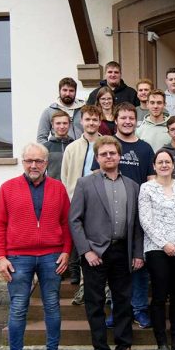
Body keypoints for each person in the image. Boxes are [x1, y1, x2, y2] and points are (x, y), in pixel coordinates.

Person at [0, 143, 71, 350]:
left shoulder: (58, 188)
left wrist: (66, 251)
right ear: (23, 162)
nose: (33, 165)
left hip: (51, 256)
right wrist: (1, 256)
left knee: (52, 307)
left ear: (46, 163)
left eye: (38, 161)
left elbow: (67, 223)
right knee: (18, 309)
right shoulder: (8, 188)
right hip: (18, 257)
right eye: (29, 161)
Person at [69, 136, 144, 350]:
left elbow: (137, 224)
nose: (109, 157)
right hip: (95, 253)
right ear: (97, 157)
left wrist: (137, 253)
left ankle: (124, 347)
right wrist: (86, 251)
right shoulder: (85, 183)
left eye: (112, 153)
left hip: (123, 251)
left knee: (123, 301)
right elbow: (74, 221)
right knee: (95, 302)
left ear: (119, 156)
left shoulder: (132, 186)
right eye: (104, 154)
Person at [90, 102, 155, 328]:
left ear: (136, 121)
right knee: (113, 270)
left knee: (138, 266)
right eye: (123, 118)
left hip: (137, 216)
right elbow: (95, 179)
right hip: (109, 217)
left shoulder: (145, 149)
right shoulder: (106, 146)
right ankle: (118, 310)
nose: (127, 121)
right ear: (115, 120)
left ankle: (139, 309)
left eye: (131, 118)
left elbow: (151, 182)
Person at [139, 148, 175, 350]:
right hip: (157, 249)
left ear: (173, 165)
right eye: (160, 162)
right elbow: (146, 220)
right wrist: (165, 244)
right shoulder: (147, 188)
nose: (164, 165)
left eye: (167, 162)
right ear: (154, 166)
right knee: (160, 296)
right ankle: (161, 342)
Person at [61, 105, 103, 289]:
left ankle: (103, 285)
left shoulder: (108, 143)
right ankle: (85, 286)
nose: (91, 123)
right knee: (82, 244)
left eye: (95, 119)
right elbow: (65, 177)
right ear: (81, 121)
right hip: (78, 201)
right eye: (88, 119)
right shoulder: (71, 148)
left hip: (102, 201)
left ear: (100, 122)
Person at [37, 77, 84, 144]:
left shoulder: (83, 110)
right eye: (64, 90)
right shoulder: (49, 112)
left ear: (75, 92)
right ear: (59, 91)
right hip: (58, 152)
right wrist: (50, 151)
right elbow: (41, 138)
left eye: (71, 91)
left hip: (80, 151)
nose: (68, 94)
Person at [45, 110, 73, 180]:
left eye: (65, 123)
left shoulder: (75, 146)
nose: (62, 126)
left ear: (69, 124)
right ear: (52, 125)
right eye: (58, 123)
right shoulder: (45, 148)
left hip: (73, 188)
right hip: (53, 188)